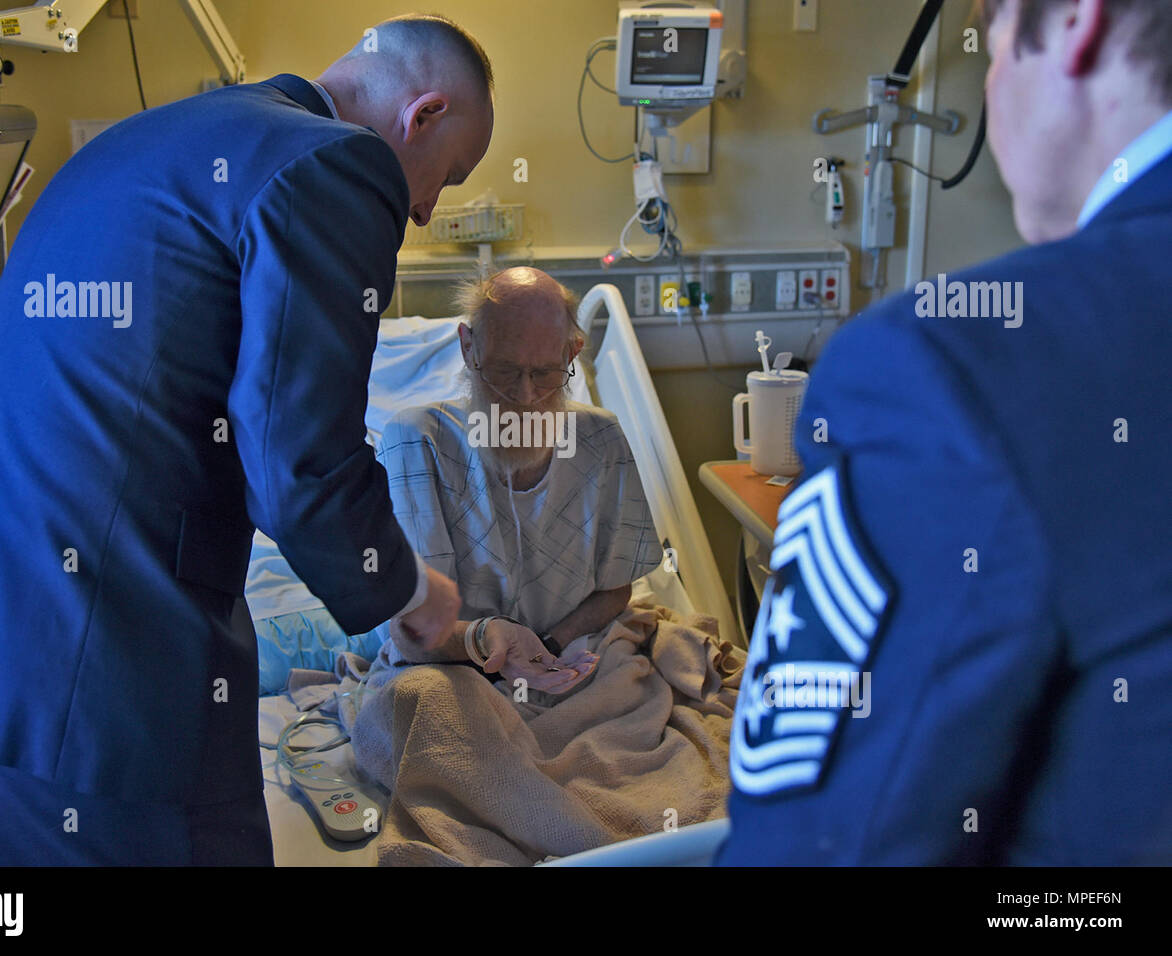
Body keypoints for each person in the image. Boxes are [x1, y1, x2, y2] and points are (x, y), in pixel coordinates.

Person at [0, 14, 494, 865]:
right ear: (423, 114)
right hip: (106, 676)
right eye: (451, 177)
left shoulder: (158, 137)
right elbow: (301, 462)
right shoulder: (337, 162)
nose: (430, 209)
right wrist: (409, 593)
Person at [716, 0, 1172, 864]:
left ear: (1077, 20)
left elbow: (819, 850)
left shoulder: (944, 372)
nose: (991, 80)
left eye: (992, 42)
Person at [373, 267, 662, 694]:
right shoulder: (416, 441)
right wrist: (485, 641)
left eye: (545, 373)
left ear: (571, 355)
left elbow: (615, 592)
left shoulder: (601, 440)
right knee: (420, 712)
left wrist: (547, 648)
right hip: (456, 667)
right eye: (505, 371)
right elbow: (410, 631)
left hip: (570, 653)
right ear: (468, 348)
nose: (525, 397)